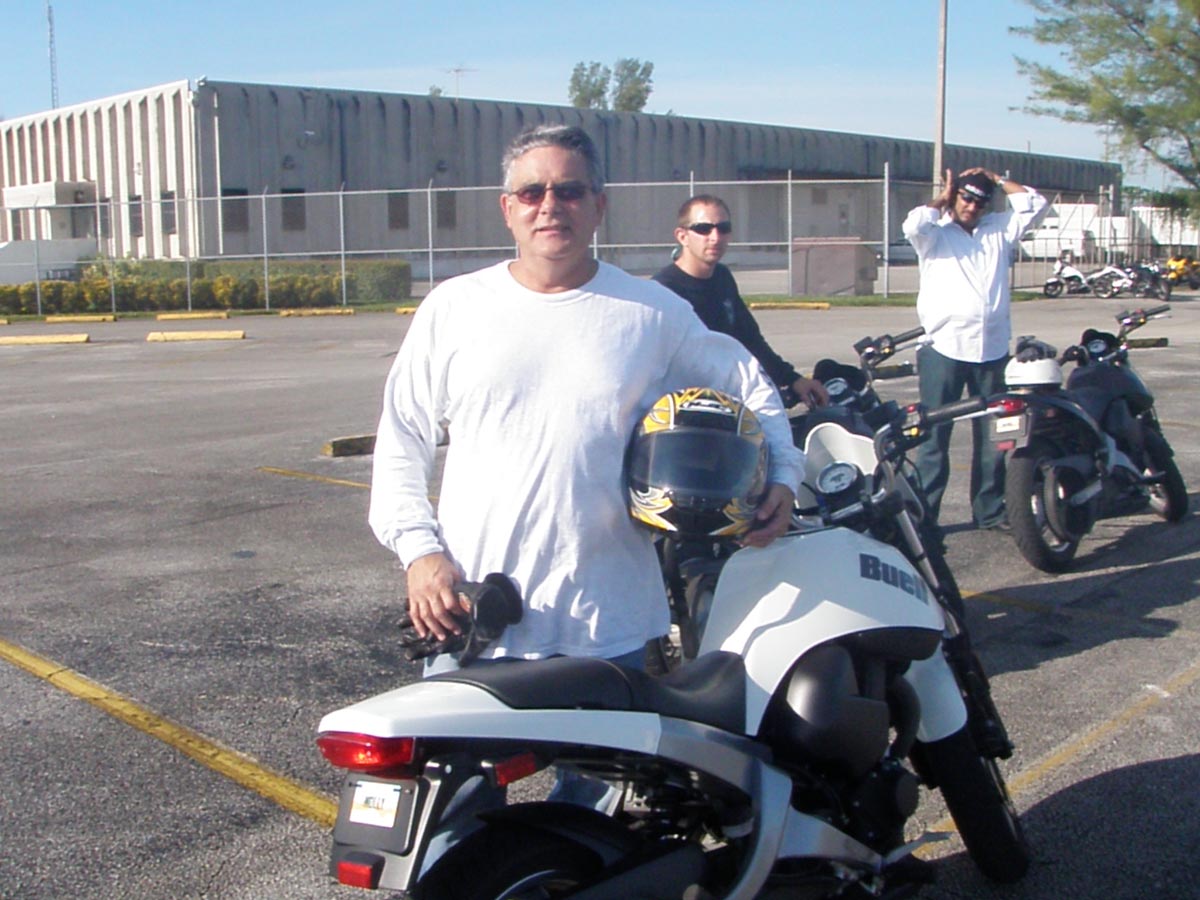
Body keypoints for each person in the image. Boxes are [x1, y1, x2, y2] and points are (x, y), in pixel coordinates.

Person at [368, 124, 804, 668]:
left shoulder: (653, 313)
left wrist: (784, 475)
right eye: (532, 192)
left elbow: (748, 383)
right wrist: (419, 553)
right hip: (475, 617)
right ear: (508, 209)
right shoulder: (453, 308)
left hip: (608, 628)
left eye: (570, 191)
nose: (550, 206)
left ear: (598, 206)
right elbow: (402, 439)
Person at [903, 167, 1050, 530]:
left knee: (995, 437)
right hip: (944, 349)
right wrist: (943, 197)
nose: (971, 207)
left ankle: (990, 511)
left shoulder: (999, 229)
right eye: (966, 199)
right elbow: (913, 225)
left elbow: (1036, 204)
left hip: (992, 350)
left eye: (980, 202)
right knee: (934, 439)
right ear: (955, 197)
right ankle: (924, 517)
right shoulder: (935, 235)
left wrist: (997, 178)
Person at [652, 195, 829, 409]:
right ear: (682, 236)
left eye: (723, 228)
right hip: (689, 410)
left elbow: (750, 341)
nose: (715, 237)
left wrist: (793, 380)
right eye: (703, 229)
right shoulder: (663, 291)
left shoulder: (722, 277)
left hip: (733, 401)